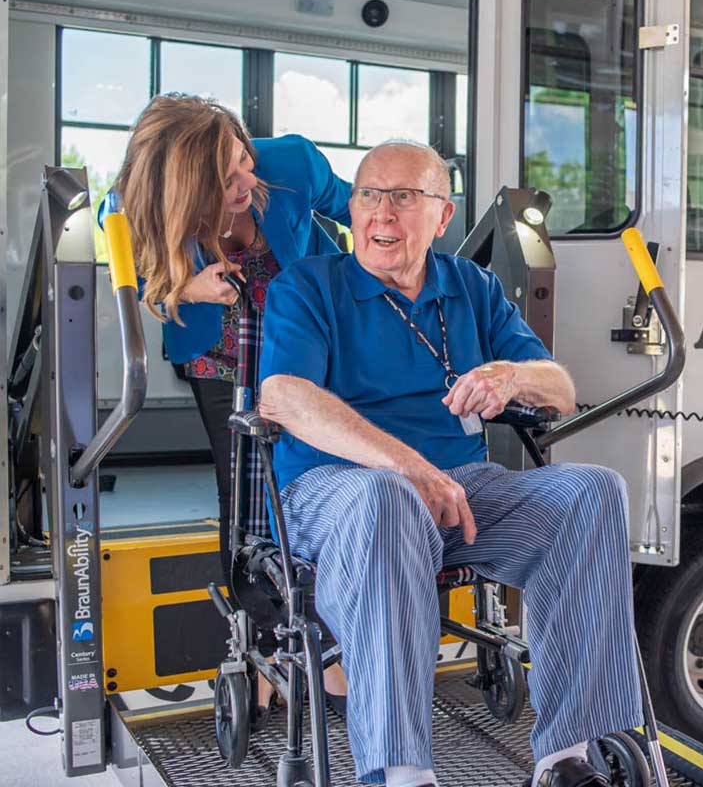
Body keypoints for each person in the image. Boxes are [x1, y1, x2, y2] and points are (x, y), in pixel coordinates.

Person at [256, 139, 642, 787]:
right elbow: (282, 396)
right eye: (368, 195)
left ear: (442, 215)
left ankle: (568, 756)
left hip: (458, 491)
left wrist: (511, 375)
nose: (382, 212)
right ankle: (401, 773)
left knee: (592, 492)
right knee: (386, 497)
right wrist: (404, 466)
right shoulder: (310, 286)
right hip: (335, 492)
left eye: (403, 196)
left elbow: (560, 390)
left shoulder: (471, 286)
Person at [98, 93, 352, 705]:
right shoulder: (133, 203)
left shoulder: (290, 163)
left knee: (320, 479)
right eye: (226, 177)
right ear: (182, 187)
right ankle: (260, 646)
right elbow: (131, 260)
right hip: (220, 353)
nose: (247, 179)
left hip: (303, 344)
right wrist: (186, 287)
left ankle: (326, 647)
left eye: (243, 159)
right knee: (241, 493)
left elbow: (363, 208)